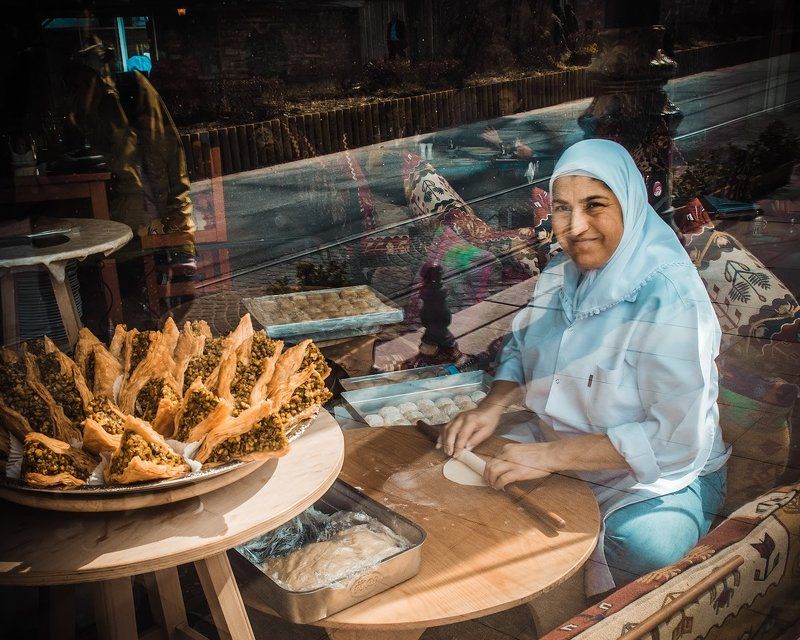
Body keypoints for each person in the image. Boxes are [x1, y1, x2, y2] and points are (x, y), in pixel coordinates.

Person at [441, 139, 729, 596]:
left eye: (595, 205)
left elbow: (675, 440)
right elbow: (521, 344)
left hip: (653, 476)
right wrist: (491, 407)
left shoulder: (669, 299)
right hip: (555, 443)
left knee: (643, 546)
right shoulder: (562, 273)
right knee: (456, 490)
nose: (575, 227)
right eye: (562, 208)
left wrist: (550, 459)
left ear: (629, 205)